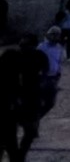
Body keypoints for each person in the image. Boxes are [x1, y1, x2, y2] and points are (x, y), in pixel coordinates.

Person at [0, 32, 45, 162]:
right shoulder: (11, 57)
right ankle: (17, 157)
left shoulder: (38, 57)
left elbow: (42, 78)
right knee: (9, 138)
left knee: (28, 132)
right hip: (9, 104)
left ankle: (19, 156)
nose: (23, 46)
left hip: (26, 103)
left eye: (27, 44)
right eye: (22, 44)